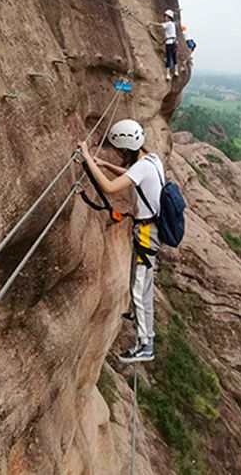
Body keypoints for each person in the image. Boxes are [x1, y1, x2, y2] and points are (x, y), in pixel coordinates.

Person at [78, 119, 166, 363]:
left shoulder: (142, 167)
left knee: (139, 287)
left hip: (147, 232)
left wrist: (86, 156)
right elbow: (132, 176)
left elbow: (108, 188)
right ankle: (140, 319)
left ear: (126, 147)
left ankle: (145, 344)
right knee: (140, 280)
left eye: (119, 151)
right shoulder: (152, 160)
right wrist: (104, 163)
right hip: (151, 228)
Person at [151, 9, 179, 80]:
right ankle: (176, 71)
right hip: (174, 42)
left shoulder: (169, 23)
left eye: (166, 16)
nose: (165, 18)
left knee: (168, 58)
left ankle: (168, 74)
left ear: (169, 17)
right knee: (174, 57)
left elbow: (160, 25)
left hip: (169, 43)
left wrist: (151, 23)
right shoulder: (172, 24)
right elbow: (170, 35)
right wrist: (162, 42)